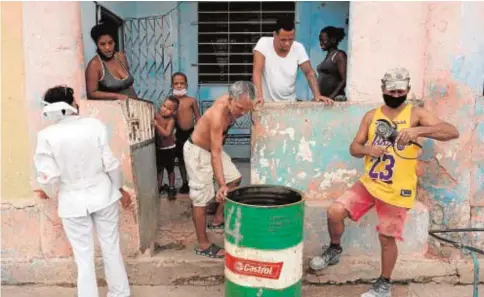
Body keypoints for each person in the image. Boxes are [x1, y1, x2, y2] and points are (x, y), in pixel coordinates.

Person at [309, 68, 459, 297]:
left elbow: (451, 131)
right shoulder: (371, 116)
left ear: (407, 90)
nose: (396, 94)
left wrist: (419, 130)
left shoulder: (415, 114)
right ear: (383, 89)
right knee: (335, 211)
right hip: (370, 183)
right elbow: (354, 147)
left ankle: (384, 284)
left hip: (398, 190)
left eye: (401, 90)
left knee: (387, 238)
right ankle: (335, 248)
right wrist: (369, 149)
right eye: (392, 90)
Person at [33, 86, 132, 297]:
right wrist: (120, 189)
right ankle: (120, 294)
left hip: (72, 201)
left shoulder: (46, 136)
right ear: (71, 103)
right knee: (111, 248)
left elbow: (49, 178)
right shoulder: (93, 125)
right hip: (103, 194)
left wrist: (50, 192)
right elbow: (111, 164)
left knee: (83, 257)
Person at [183, 81, 257, 258]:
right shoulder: (217, 115)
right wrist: (221, 184)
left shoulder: (240, 102)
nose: (242, 113)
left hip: (212, 149)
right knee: (200, 197)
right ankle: (203, 244)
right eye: (240, 108)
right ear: (230, 100)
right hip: (198, 152)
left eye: (246, 110)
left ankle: (217, 219)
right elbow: (215, 154)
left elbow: (216, 152)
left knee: (235, 179)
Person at [252, 17, 332, 105]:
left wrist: (317, 95)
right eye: (283, 40)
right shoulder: (263, 43)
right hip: (266, 104)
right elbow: (257, 71)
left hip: (290, 104)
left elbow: (309, 73)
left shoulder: (298, 48)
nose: (287, 43)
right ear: (274, 35)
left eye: (291, 39)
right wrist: (259, 97)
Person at [85, 23, 137, 100]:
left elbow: (129, 86)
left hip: (133, 105)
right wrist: (116, 96)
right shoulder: (95, 65)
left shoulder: (121, 57)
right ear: (97, 45)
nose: (108, 48)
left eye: (110, 43)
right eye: (102, 44)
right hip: (113, 109)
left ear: (114, 42)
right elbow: (91, 93)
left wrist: (136, 100)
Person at [171, 72, 201, 194]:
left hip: (191, 134)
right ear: (172, 85)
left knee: (194, 159)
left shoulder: (191, 101)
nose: (179, 85)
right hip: (177, 134)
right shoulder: (170, 102)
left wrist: (200, 133)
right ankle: (184, 183)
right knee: (181, 160)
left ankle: (195, 182)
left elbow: (198, 117)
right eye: (176, 83)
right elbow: (167, 117)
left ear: (186, 85)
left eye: (181, 83)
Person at [153, 95, 180, 199]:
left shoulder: (171, 120)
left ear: (173, 112)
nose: (164, 109)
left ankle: (172, 187)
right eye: (164, 106)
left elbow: (167, 134)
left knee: (170, 170)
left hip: (169, 149)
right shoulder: (155, 115)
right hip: (159, 149)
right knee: (159, 170)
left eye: (169, 109)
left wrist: (157, 125)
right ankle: (158, 187)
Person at [317, 26, 348, 101]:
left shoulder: (339, 55)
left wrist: (331, 97)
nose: (321, 43)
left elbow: (344, 80)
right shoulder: (328, 56)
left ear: (333, 40)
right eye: (320, 40)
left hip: (333, 101)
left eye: (323, 40)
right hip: (325, 100)